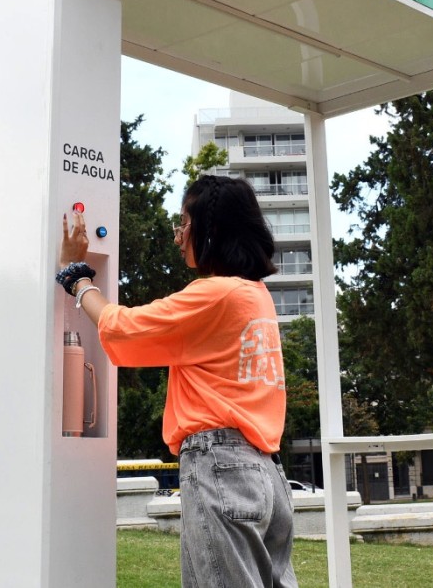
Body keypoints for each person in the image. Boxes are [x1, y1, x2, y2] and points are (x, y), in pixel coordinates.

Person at [57, 175, 296, 588]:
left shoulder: (215, 295)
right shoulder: (256, 294)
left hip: (221, 467)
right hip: (266, 474)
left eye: (184, 223)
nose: (178, 237)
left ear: (211, 229)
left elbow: (124, 329)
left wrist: (77, 277)